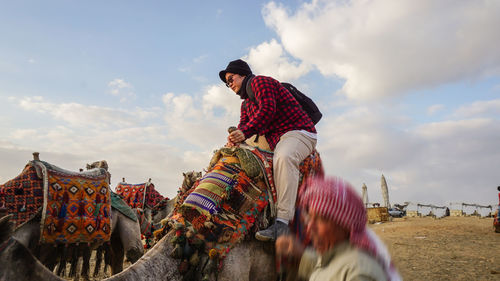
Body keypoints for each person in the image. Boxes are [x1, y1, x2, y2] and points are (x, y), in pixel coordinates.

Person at [219, 59, 317, 241]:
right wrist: (235, 139)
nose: (229, 84)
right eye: (227, 83)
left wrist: (245, 132)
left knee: (284, 157)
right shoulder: (245, 104)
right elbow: (243, 126)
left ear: (242, 74)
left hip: (298, 132)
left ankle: (282, 223)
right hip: (276, 139)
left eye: (231, 79)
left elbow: (268, 110)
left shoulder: (260, 82)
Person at [276, 176, 401, 281]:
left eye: (322, 219)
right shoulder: (336, 257)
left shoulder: (359, 273)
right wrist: (301, 254)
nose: (309, 227)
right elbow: (329, 269)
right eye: (310, 218)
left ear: (345, 225)